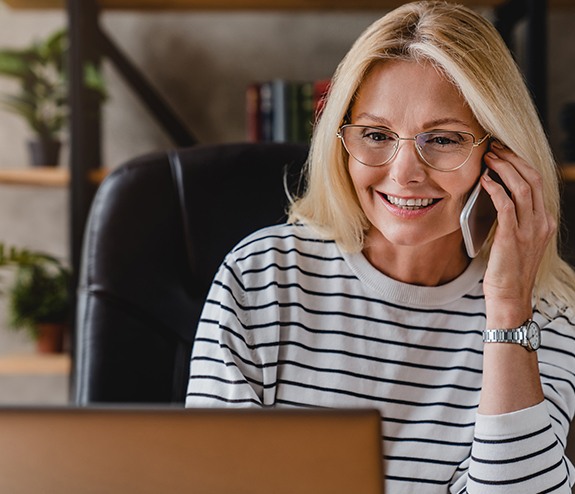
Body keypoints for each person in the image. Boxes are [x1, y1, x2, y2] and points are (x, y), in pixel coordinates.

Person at [186, 1, 575, 492]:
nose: (404, 173)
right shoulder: (261, 277)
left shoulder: (549, 313)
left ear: (500, 158)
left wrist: (507, 313)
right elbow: (209, 480)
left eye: (443, 139)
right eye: (375, 134)